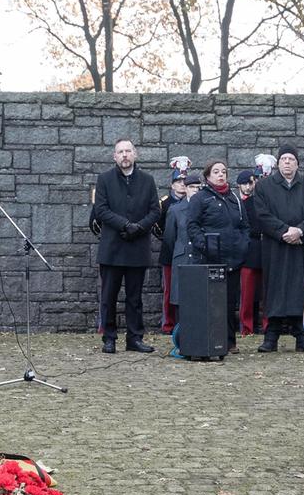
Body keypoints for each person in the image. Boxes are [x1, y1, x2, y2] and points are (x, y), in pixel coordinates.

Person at [91, 139, 162, 354]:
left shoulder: (148, 181)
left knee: (135, 298)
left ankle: (134, 338)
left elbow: (155, 211)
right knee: (109, 297)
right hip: (112, 248)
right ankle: (109, 338)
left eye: (128, 151)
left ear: (135, 154)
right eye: (120, 152)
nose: (124, 155)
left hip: (137, 247)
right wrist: (125, 225)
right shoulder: (104, 180)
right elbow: (101, 210)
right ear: (114, 156)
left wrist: (139, 228)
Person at [252, 146, 304, 353]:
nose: (287, 162)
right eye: (283, 158)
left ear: (297, 163)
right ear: (278, 163)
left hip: (301, 246)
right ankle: (271, 334)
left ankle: (301, 335)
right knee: (275, 287)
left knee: (299, 288)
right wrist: (284, 231)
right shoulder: (264, 186)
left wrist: (300, 231)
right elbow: (262, 214)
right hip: (275, 246)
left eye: (291, 159)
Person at [187, 159, 252, 352]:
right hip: (210, 259)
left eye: (223, 171)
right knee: (212, 302)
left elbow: (245, 226)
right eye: (216, 172)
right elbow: (192, 225)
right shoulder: (201, 198)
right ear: (208, 176)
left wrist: (243, 245)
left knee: (230, 302)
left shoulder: (235, 198)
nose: (221, 175)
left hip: (233, 260)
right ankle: (210, 341)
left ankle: (229, 341)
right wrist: (205, 246)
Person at [161, 170, 199, 348]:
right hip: (182, 257)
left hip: (200, 258)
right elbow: (169, 238)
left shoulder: (207, 207)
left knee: (199, 298)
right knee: (180, 299)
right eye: (191, 187)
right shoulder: (175, 209)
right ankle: (180, 339)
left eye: (198, 187)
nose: (194, 190)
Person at [237, 167, 266, 335]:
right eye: (245, 183)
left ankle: (266, 324)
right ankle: (246, 326)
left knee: (266, 292)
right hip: (249, 249)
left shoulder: (264, 202)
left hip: (266, 248)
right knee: (247, 293)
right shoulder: (243, 204)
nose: (248, 186)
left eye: (251, 183)